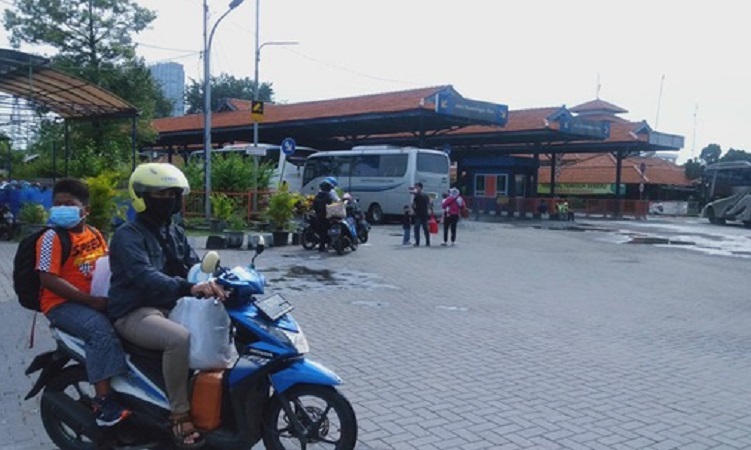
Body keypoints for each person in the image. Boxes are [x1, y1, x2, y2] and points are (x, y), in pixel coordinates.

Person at [107, 163, 226, 449]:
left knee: (212, 331)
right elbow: (145, 277)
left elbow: (192, 263)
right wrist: (190, 287)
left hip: (170, 305)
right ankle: (179, 415)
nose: (169, 200)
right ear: (141, 196)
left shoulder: (172, 230)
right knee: (179, 339)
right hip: (135, 311)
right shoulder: (127, 236)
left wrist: (220, 278)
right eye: (161, 194)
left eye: (173, 194)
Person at [36, 178, 131, 427]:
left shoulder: (95, 234)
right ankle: (103, 402)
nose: (61, 208)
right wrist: (91, 301)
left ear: (85, 210)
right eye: (57, 204)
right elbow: (47, 278)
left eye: (69, 204)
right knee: (99, 330)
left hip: (94, 299)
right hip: (61, 305)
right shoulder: (51, 238)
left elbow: (109, 264)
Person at [312, 177, 340, 252]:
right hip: (325, 216)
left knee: (322, 231)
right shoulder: (327, 196)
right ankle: (323, 247)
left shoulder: (318, 195)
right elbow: (330, 205)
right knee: (326, 230)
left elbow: (314, 205)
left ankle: (325, 245)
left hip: (318, 215)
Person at [411, 182, 431, 247]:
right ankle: (427, 242)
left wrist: (414, 210)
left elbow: (413, 205)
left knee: (418, 227)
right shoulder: (425, 195)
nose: (416, 188)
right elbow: (429, 204)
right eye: (415, 187)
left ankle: (418, 242)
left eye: (417, 187)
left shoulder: (418, 196)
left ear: (420, 188)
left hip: (420, 214)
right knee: (424, 228)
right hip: (423, 214)